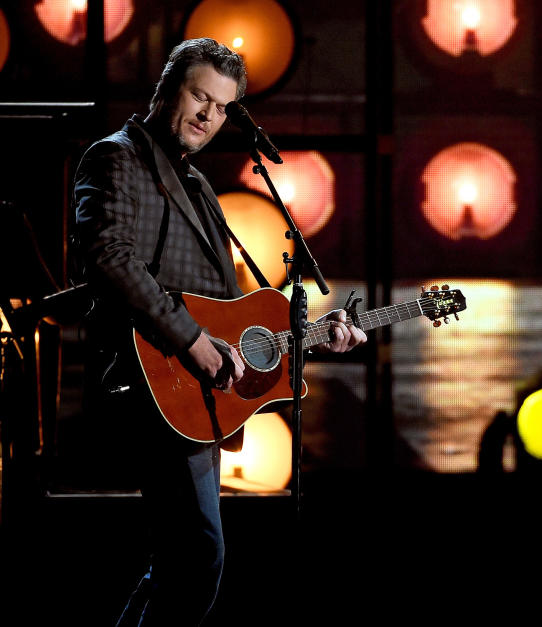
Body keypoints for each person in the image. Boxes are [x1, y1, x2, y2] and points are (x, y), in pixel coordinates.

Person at [73, 38, 366, 625]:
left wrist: (313, 334)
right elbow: (108, 256)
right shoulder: (117, 158)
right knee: (197, 555)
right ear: (165, 91)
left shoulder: (200, 187)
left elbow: (235, 315)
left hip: (196, 394)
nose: (209, 116)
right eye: (199, 96)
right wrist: (192, 341)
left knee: (181, 560)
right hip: (150, 378)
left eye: (223, 107)